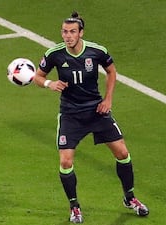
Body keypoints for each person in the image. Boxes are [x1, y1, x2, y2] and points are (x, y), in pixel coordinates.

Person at [33, 12, 149, 223]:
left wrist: (108, 100)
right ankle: (74, 206)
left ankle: (130, 198)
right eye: (64, 32)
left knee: (122, 152)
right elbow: (37, 77)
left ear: (81, 33)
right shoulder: (54, 54)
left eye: (72, 32)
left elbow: (112, 72)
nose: (67, 36)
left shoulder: (97, 51)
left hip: (96, 111)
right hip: (70, 115)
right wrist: (50, 84)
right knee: (66, 162)